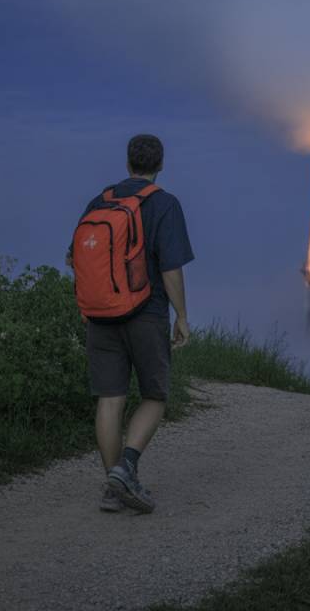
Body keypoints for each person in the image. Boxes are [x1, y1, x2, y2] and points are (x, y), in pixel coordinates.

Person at [67, 133, 193, 514]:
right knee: (154, 395)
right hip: (146, 313)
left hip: (101, 315)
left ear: (127, 163)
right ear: (160, 165)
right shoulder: (165, 205)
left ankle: (112, 487)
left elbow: (75, 258)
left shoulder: (100, 201)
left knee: (110, 399)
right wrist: (182, 316)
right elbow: (170, 268)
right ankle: (126, 468)